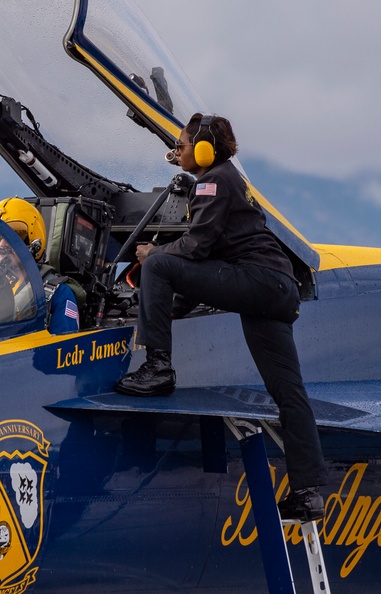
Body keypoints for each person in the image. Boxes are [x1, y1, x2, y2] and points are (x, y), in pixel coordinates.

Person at [114, 114, 328, 522]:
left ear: (205, 148)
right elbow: (208, 269)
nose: (176, 152)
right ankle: (308, 491)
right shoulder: (230, 180)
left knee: (159, 266)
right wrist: (172, 307)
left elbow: (196, 246)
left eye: (181, 144)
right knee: (289, 393)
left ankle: (158, 368)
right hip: (275, 289)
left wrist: (152, 256)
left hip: (258, 280)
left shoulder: (211, 180)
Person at [0, 197, 80, 334]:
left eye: (15, 235)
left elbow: (65, 350)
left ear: (34, 240)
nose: (2, 244)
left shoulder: (57, 293)